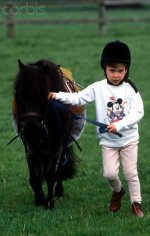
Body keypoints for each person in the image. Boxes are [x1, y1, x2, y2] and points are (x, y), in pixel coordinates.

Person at [48, 40, 144, 217]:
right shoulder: (98, 88)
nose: (116, 75)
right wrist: (58, 95)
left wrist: (119, 125)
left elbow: (139, 112)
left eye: (120, 71)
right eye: (112, 70)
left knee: (131, 173)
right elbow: (78, 98)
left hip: (129, 140)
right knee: (109, 174)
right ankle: (118, 191)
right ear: (105, 68)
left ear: (127, 70)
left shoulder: (131, 89)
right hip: (108, 142)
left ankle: (136, 203)